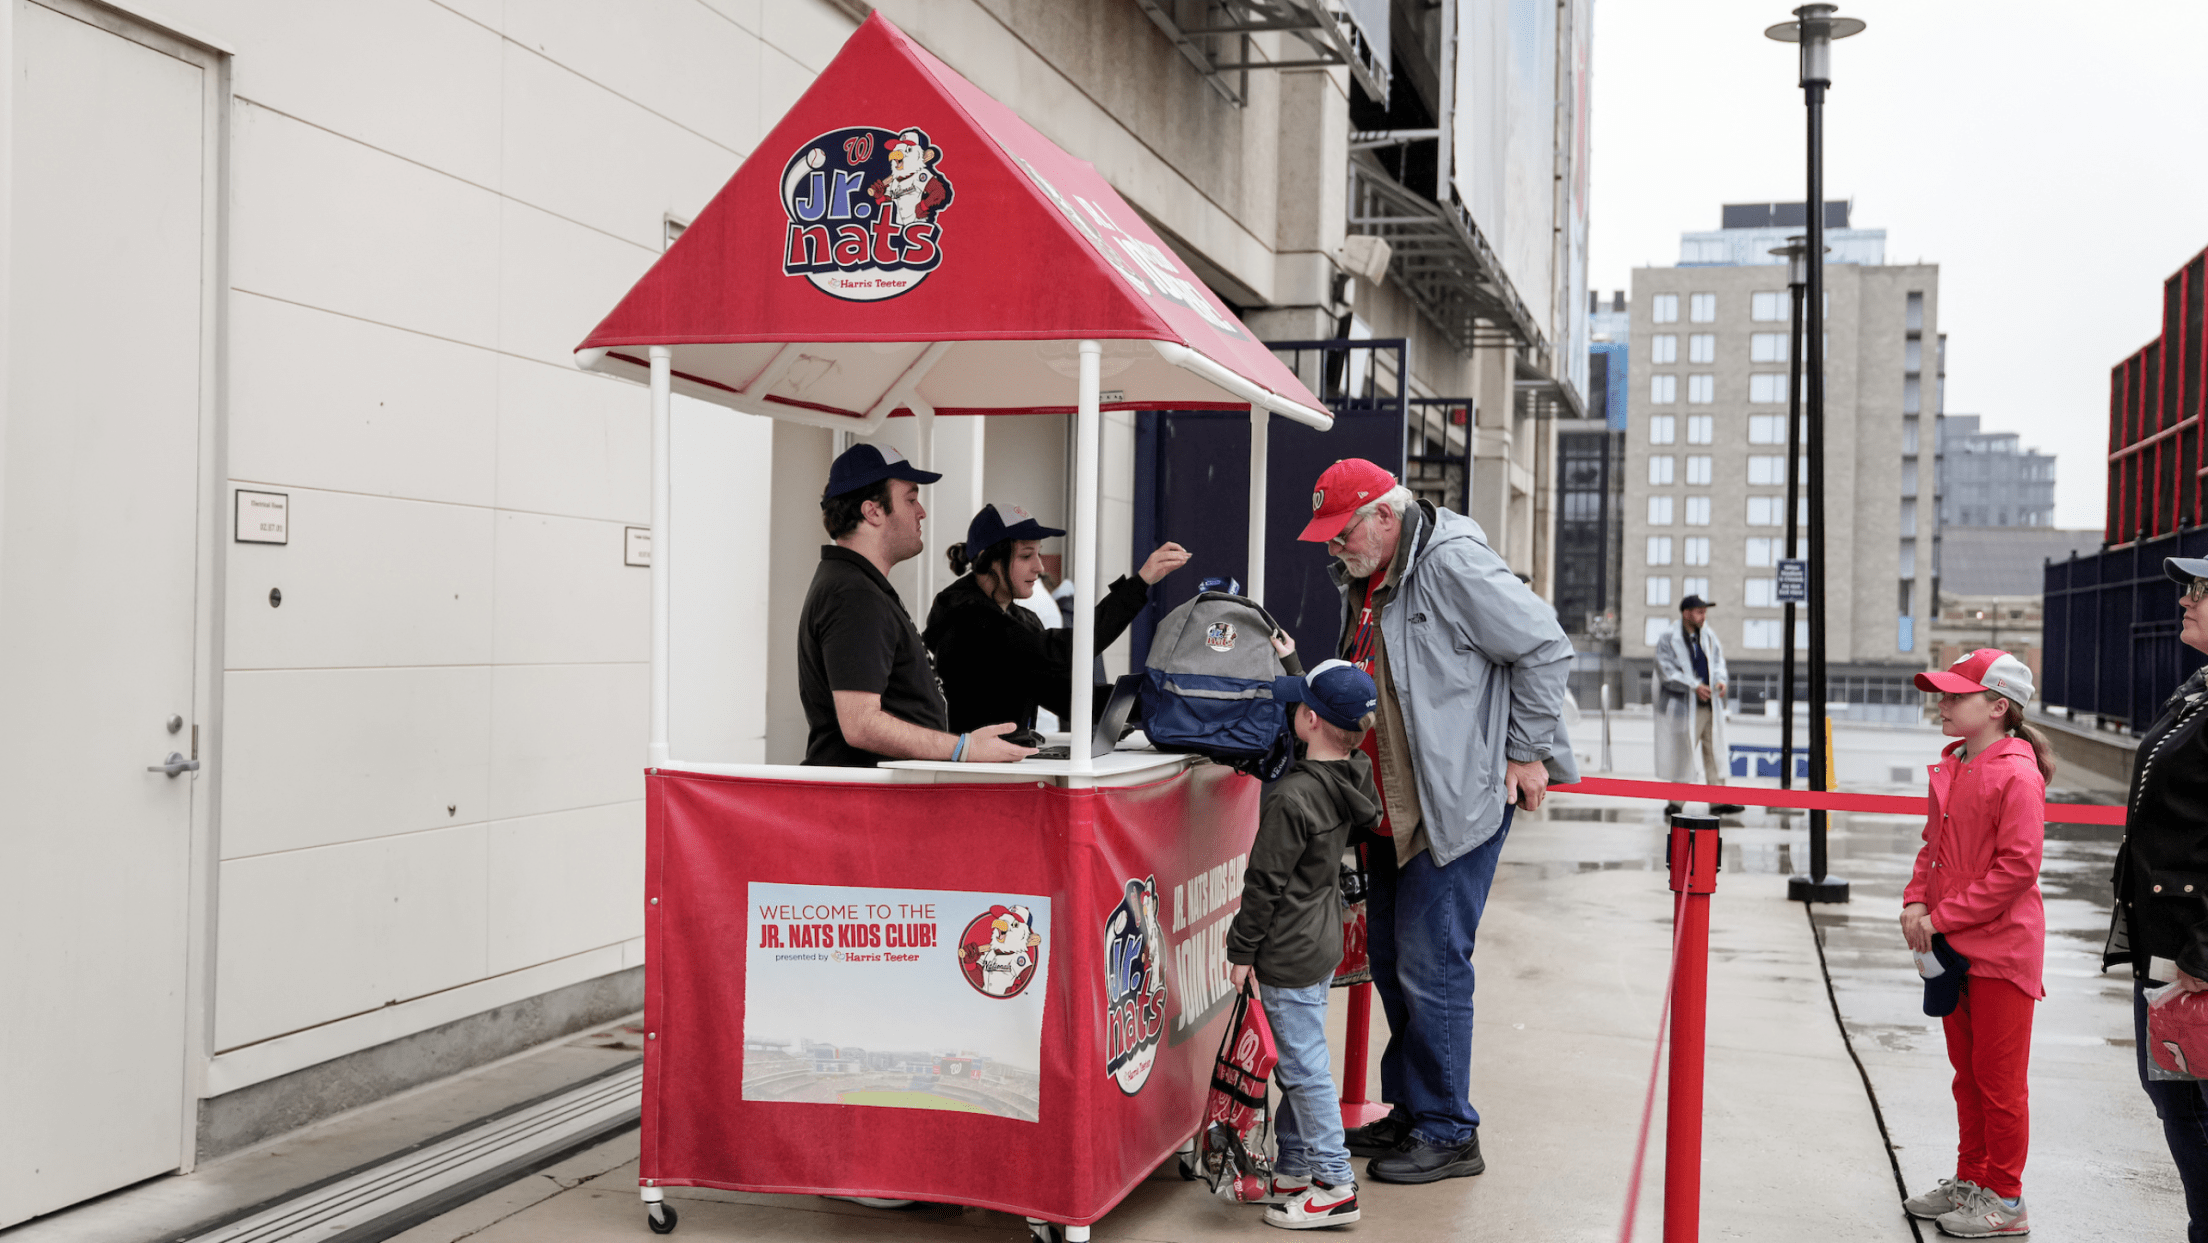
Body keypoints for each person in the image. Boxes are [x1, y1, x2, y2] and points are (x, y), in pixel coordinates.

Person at [1296, 458, 1577, 1184]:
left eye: (1345, 531)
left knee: (1432, 966)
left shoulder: (1449, 563)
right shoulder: (1365, 576)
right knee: (1391, 960)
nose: (1336, 547)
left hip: (1454, 802)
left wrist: (1524, 752)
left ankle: (1450, 1128)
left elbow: (1545, 644)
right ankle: (1414, 1108)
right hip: (1392, 806)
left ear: (1385, 516)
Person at [1899, 648, 2054, 1239]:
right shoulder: (1956, 763)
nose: (1941, 703)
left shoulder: (2016, 773)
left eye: (1954, 696)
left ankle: (2006, 1199)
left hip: (2000, 953)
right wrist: (1917, 900)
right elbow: (1931, 847)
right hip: (1954, 946)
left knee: (2000, 1082)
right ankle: (1972, 1180)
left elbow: (2017, 869)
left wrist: (1941, 918)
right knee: (1967, 1075)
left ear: (1997, 707)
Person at [1225, 659, 1383, 1231]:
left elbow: (1263, 885)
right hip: (1320, 937)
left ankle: (1336, 1184)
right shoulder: (1355, 774)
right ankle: (1296, 1164)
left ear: (1310, 720)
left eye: (1298, 703)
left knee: (1302, 1065)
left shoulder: (1291, 798)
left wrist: (1242, 951)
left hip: (1286, 948)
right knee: (1303, 1052)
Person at [797, 444, 1033, 768]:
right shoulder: (853, 595)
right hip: (865, 806)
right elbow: (861, 724)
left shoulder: (859, 586)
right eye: (910, 499)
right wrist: (964, 748)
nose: (921, 511)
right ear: (873, 511)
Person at [2106, 557, 2208, 1242]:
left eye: (2200, 590)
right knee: (2171, 1092)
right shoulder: (2197, 690)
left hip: (2196, 945)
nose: (2185, 600)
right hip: (2166, 938)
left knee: (2193, 1098)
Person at [922, 502, 1189, 735]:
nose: (1039, 567)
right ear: (988, 559)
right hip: (972, 781)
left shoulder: (1020, 619)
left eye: (1038, 554)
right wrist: (1139, 584)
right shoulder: (969, 621)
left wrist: (1168, 699)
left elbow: (1070, 699)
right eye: (1026, 556)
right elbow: (1062, 651)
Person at [1653, 595, 1746, 816]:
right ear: (1686, 614)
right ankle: (1675, 803)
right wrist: (1694, 686)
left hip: (1709, 706)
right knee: (1683, 754)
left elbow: (1717, 662)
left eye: (1704, 612)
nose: (1703, 616)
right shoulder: (1669, 637)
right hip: (1683, 708)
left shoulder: (1708, 635)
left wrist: (1719, 681)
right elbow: (1666, 671)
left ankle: (1718, 801)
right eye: (1699, 612)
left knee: (1714, 752)